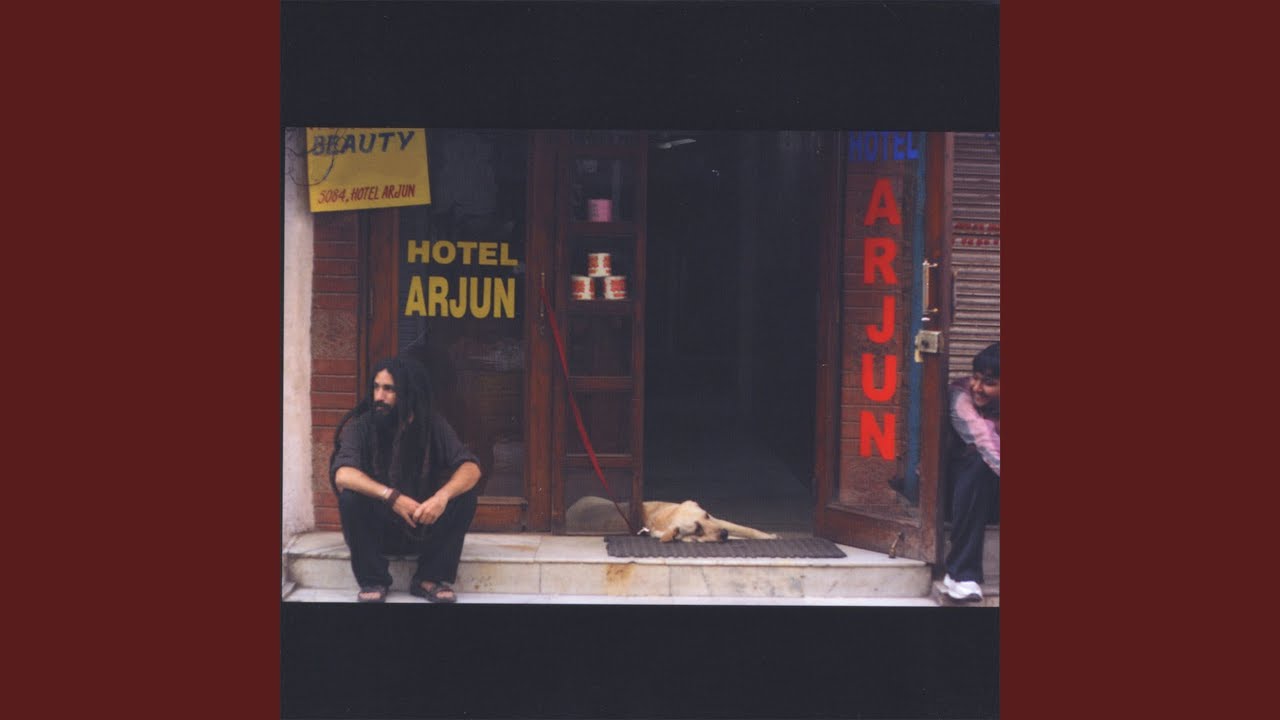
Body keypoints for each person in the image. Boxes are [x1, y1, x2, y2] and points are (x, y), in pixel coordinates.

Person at [329, 356, 482, 603]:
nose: (379, 396)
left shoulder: (431, 424)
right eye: (376, 387)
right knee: (350, 498)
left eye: (388, 389)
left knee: (465, 495)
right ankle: (373, 580)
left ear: (408, 393)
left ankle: (429, 578)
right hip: (378, 532)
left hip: (422, 526)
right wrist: (391, 497)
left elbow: (471, 468)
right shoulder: (361, 426)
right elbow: (343, 474)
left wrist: (440, 498)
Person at [943, 342, 1000, 602]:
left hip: (993, 496)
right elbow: (984, 441)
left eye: (988, 382)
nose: (977, 387)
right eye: (975, 378)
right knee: (978, 462)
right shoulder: (960, 396)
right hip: (957, 496)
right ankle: (962, 573)